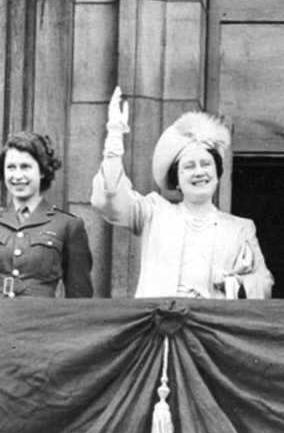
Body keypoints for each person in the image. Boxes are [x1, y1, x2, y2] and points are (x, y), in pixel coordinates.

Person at [91, 87, 273, 299]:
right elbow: (111, 201)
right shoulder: (154, 212)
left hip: (211, 327)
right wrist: (114, 142)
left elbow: (264, 283)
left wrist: (232, 284)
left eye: (205, 164)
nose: (199, 172)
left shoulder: (240, 228)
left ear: (217, 173)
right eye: (189, 166)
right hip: (160, 326)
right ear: (177, 180)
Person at [0, 132, 93, 298]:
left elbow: (79, 299)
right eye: (11, 167)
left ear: (42, 171)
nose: (17, 176)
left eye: (25, 167)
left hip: (39, 322)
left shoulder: (67, 225)